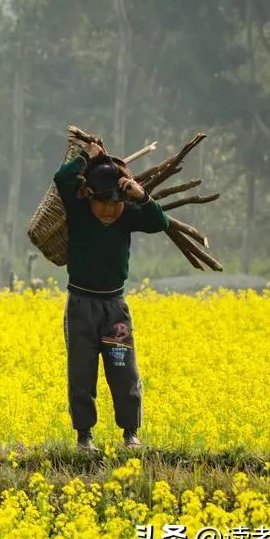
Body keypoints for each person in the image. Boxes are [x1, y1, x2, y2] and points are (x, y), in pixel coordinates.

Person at [53, 140, 169, 452]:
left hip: (115, 308)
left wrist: (141, 196)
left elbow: (160, 222)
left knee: (124, 370)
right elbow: (62, 178)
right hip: (80, 306)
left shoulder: (128, 214)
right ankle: (84, 436)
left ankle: (131, 433)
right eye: (103, 203)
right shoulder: (78, 210)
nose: (109, 210)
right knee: (81, 372)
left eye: (116, 203)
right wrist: (86, 155)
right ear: (88, 195)